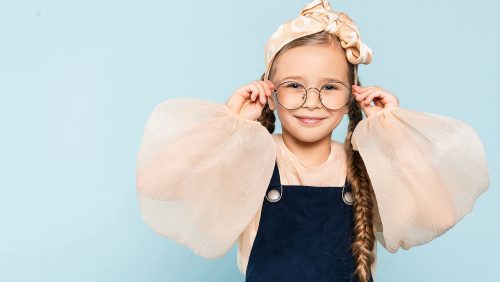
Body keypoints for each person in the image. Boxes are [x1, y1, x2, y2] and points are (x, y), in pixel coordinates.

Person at [135, 0, 490, 281]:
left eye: (329, 87)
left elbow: (439, 213)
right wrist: (232, 127)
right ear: (270, 93)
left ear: (352, 95)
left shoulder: (363, 164)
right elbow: (159, 184)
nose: (312, 101)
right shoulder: (252, 158)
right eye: (294, 85)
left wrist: (392, 132)